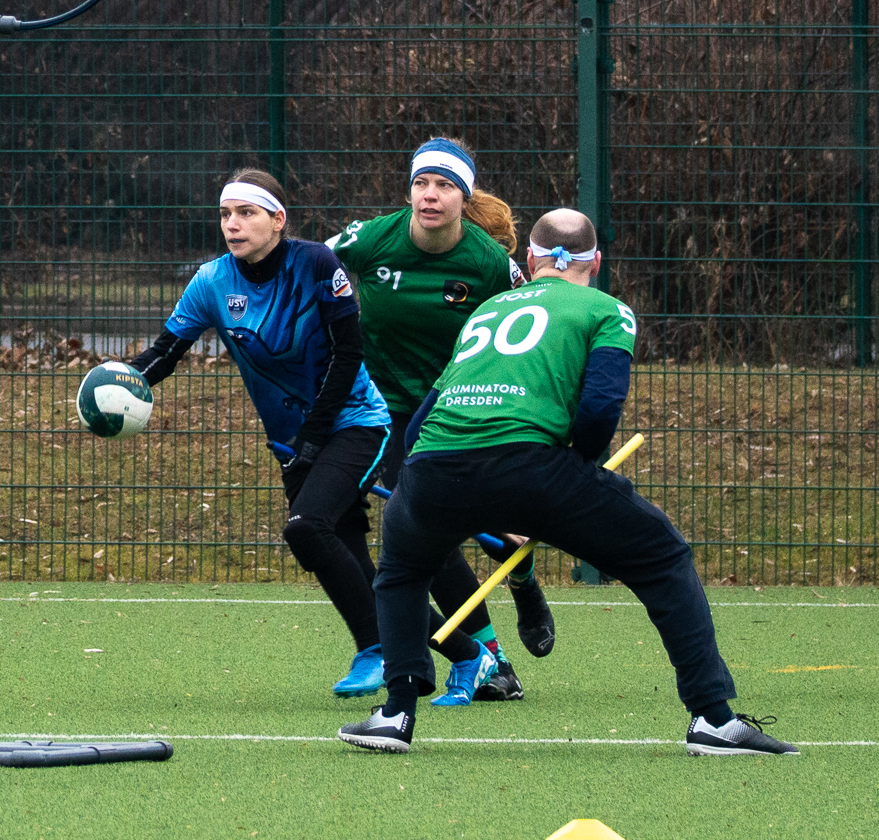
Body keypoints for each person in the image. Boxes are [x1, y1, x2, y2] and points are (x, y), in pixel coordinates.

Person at [339, 209, 797, 755]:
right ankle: (714, 719)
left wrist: (424, 481)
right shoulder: (609, 311)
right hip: (533, 464)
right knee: (663, 557)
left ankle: (394, 714)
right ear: (595, 262)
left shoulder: (485, 310)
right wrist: (568, 476)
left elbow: (421, 420)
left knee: (401, 572)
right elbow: (601, 407)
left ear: (529, 261)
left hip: (432, 464)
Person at [129, 169, 491, 696]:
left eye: (247, 213)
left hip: (356, 424)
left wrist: (316, 437)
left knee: (305, 528)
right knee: (339, 549)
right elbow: (165, 351)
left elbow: (349, 354)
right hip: (293, 443)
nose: (233, 224)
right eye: (226, 214)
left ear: (278, 220)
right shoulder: (211, 282)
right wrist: (124, 383)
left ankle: (378, 647)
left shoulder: (317, 264)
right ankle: (465, 654)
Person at [326, 137, 556, 704]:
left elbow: (534, 326)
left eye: (445, 185)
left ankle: (514, 601)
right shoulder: (368, 239)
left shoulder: (489, 264)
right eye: (421, 183)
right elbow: (306, 269)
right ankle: (491, 657)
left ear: (464, 196)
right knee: (425, 528)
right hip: (377, 409)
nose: (430, 196)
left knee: (441, 527)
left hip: (455, 407)